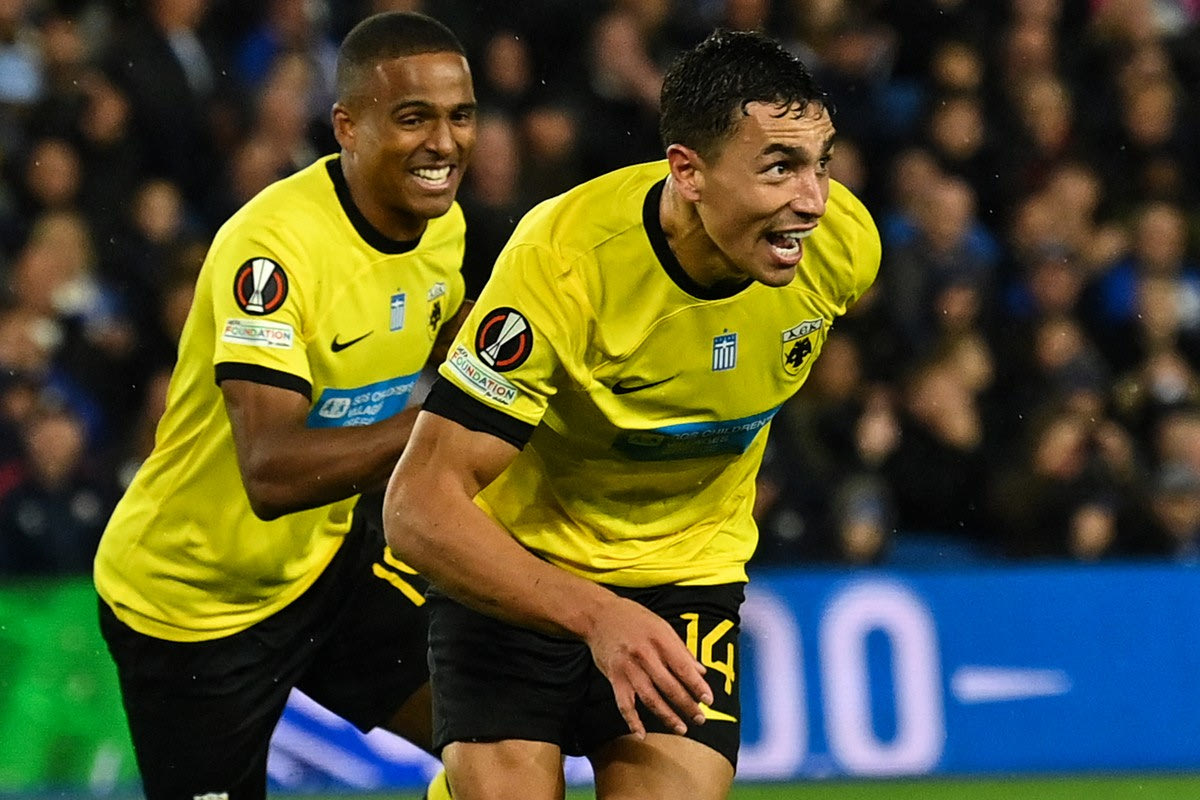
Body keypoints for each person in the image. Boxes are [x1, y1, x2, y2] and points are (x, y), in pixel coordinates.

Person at [384, 28, 880, 800]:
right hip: (524, 573)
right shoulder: (564, 263)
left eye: (821, 163)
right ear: (688, 172)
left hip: (685, 581)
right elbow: (416, 505)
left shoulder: (842, 249)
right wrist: (596, 616)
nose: (812, 201)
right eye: (779, 168)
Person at [92, 11, 476, 799]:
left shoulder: (444, 228)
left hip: (323, 571)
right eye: (414, 118)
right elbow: (271, 472)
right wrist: (451, 420)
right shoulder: (274, 250)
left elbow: (446, 336)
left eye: (460, 116)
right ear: (348, 127)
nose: (444, 143)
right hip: (190, 610)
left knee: (494, 738)